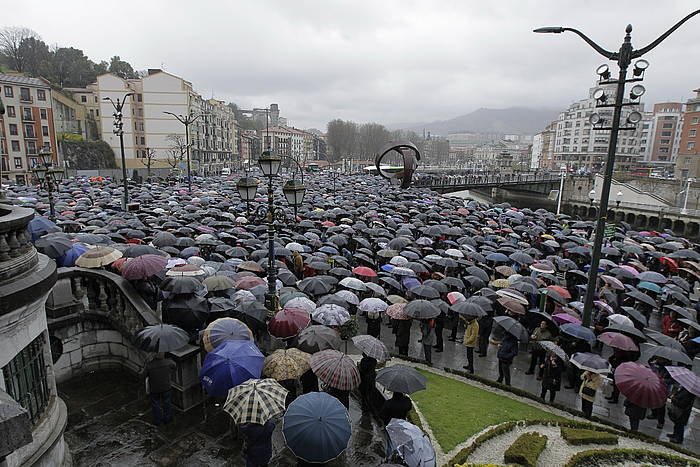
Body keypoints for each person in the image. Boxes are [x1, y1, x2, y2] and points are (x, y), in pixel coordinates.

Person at [143, 353, 176, 426]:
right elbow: (174, 366)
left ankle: (157, 420)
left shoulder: (149, 365)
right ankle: (167, 418)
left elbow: (143, 375)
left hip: (154, 389)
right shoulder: (168, 362)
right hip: (166, 387)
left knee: (155, 404)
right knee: (167, 403)